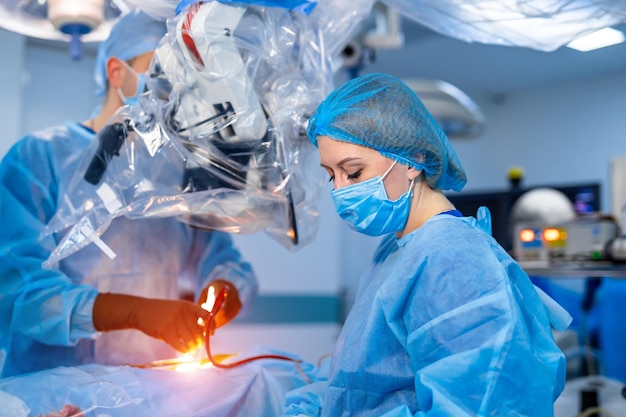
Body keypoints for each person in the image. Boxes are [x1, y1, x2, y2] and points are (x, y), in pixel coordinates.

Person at [283, 73, 572, 416]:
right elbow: (371, 378)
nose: (340, 190)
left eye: (354, 172)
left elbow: (479, 405)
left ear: (412, 160)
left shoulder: (451, 258)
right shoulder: (398, 250)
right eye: (332, 175)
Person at [0, 9, 258, 378]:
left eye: (184, 74)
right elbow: (15, 292)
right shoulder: (37, 159)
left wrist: (224, 291)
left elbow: (224, 259)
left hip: (149, 388)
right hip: (51, 391)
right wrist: (132, 312)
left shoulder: (177, 176)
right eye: (161, 71)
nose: (175, 88)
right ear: (117, 73)